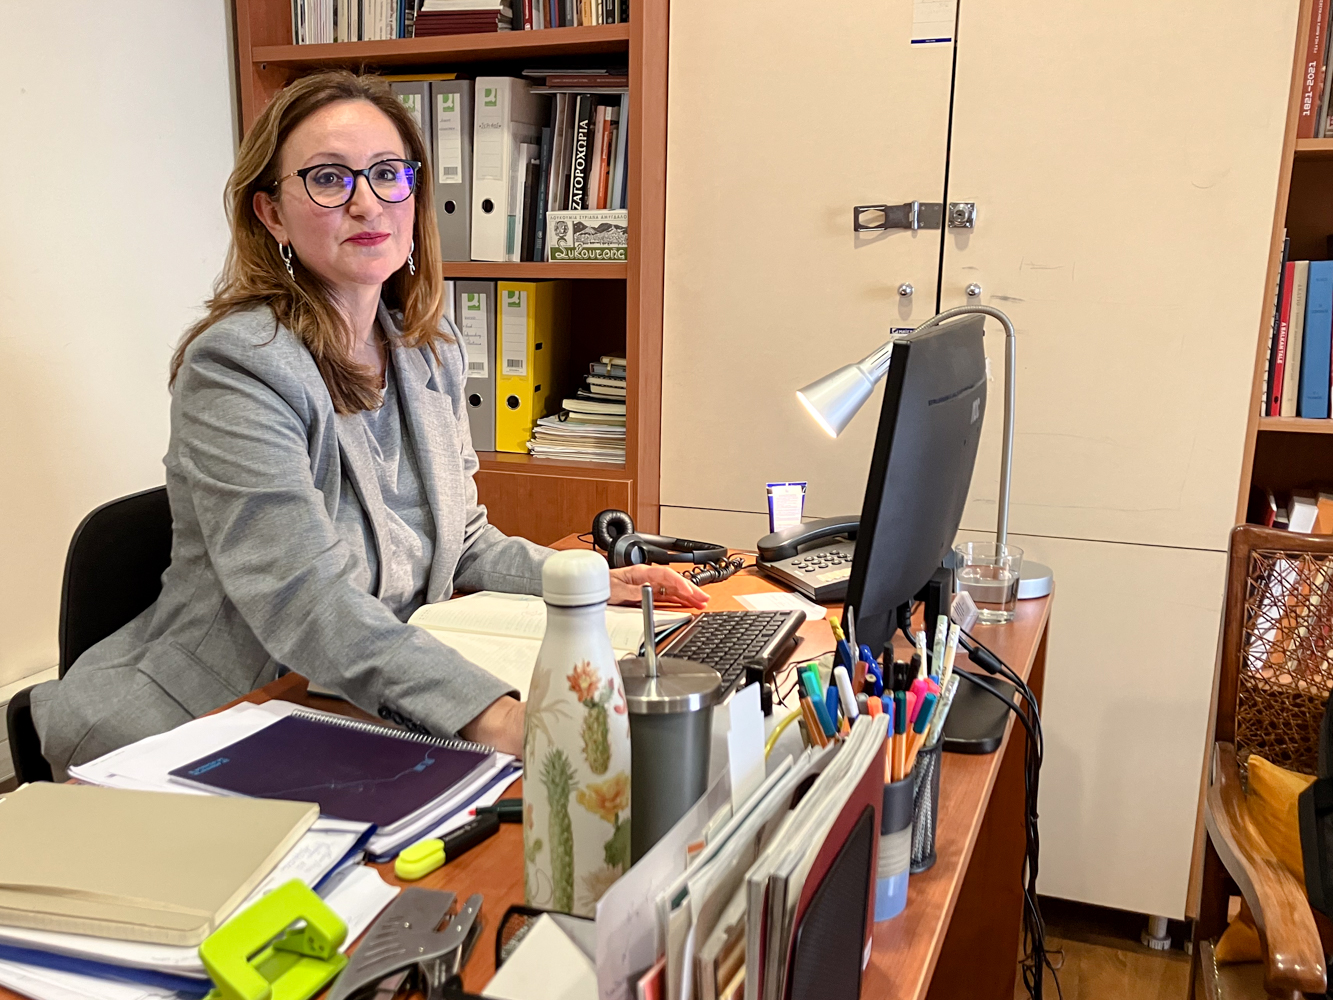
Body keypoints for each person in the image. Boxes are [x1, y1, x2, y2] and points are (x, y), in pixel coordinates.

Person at [30, 71, 706, 771]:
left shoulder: (424, 350)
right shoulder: (236, 367)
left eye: (388, 174)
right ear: (270, 213)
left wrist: (587, 578)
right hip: (204, 718)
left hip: (342, 698)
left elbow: (462, 543)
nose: (366, 203)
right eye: (328, 179)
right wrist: (494, 715)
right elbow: (305, 599)